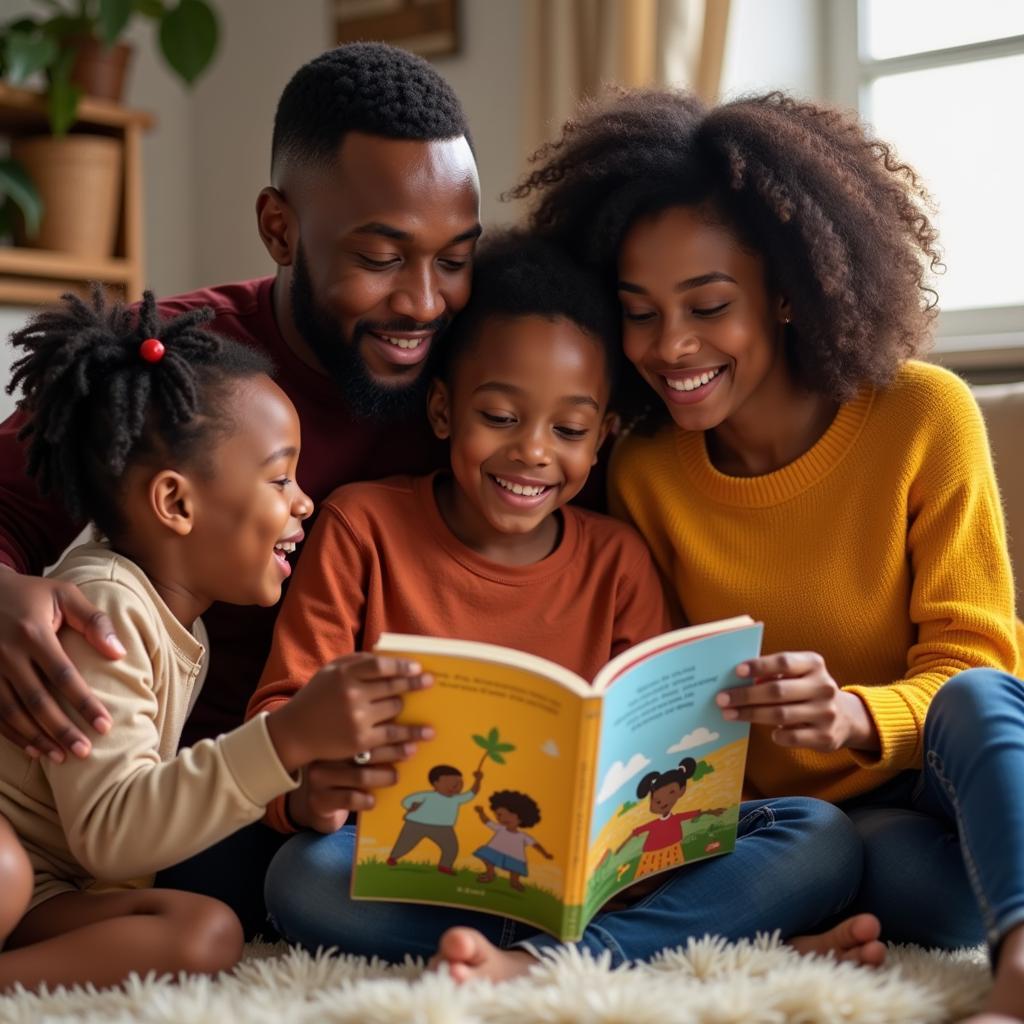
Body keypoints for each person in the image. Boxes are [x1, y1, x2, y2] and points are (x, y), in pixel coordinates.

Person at [508, 88, 1024, 1020]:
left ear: (788, 292)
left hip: (951, 780)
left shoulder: (923, 416)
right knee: (886, 877)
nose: (672, 347)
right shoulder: (644, 469)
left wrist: (853, 718)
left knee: (979, 699)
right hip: (817, 829)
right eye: (639, 312)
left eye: (709, 306)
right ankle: (762, 922)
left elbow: (973, 664)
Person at [252, 232, 883, 977]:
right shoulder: (362, 526)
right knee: (302, 877)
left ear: (604, 436)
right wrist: (311, 795)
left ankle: (553, 960)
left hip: (605, 875)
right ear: (444, 409)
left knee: (821, 836)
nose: (534, 453)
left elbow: (685, 756)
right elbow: (278, 718)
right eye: (501, 417)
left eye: (570, 430)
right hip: (428, 861)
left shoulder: (616, 558)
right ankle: (684, 951)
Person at [0, 42, 480, 933]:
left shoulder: (474, 382)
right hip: (166, 788)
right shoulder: (181, 373)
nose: (424, 302)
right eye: (382, 257)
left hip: (330, 785)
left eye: (454, 259)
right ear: (280, 228)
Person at [0, 288, 431, 990]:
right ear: (176, 503)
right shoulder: (105, 606)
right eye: (280, 477)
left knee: (207, 930)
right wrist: (285, 739)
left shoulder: (180, 621)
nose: (304, 502)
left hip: (53, 880)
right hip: (24, 861)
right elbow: (113, 834)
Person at [388, 765, 484, 873]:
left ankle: (445, 866)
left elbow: (472, 793)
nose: (456, 787)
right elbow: (406, 801)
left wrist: (478, 780)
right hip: (416, 824)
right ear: (435, 784)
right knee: (405, 843)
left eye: (459, 784)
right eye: (451, 784)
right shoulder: (427, 796)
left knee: (451, 847)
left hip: (443, 827)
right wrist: (412, 807)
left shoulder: (456, 799)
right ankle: (393, 857)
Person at [472, 790, 553, 890]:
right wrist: (481, 812)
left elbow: (535, 845)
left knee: (515, 871)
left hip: (515, 856)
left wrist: (545, 854)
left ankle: (514, 882)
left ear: (521, 817)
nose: (502, 818)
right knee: (487, 857)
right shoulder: (500, 828)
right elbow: (486, 821)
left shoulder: (523, 836)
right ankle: (490, 873)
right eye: (499, 815)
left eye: (509, 814)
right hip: (495, 851)